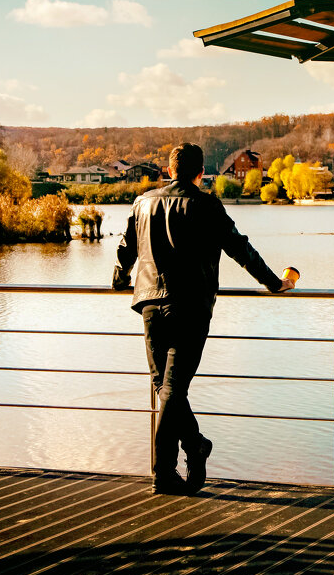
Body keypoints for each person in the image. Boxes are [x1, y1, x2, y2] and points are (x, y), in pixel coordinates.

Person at [114, 143, 294, 494]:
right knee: (170, 388)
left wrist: (119, 278)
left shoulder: (143, 203)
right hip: (190, 306)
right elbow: (241, 250)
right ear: (200, 174)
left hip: (150, 303)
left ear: (169, 171)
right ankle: (183, 455)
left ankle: (174, 463)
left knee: (165, 387)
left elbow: (126, 250)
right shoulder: (207, 205)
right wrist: (276, 283)